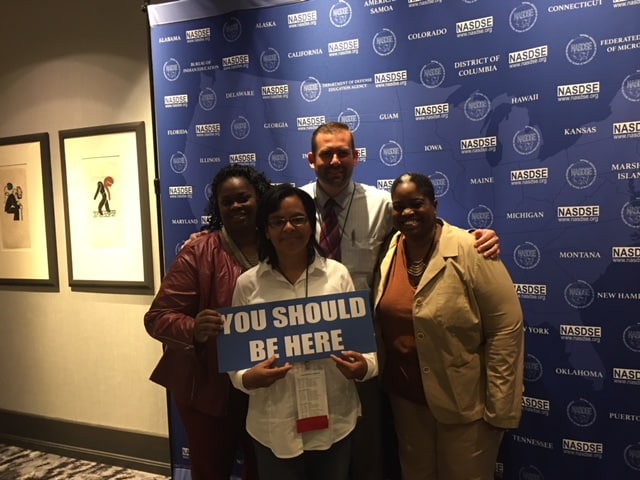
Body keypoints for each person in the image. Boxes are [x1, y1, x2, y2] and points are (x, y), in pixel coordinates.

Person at [301, 122, 501, 480]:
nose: (334, 161)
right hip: (304, 340)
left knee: (368, 446)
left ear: (356, 157)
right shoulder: (294, 203)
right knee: (308, 442)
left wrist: (476, 239)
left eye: (343, 153)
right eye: (325, 154)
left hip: (364, 343)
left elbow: (428, 231)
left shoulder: (382, 204)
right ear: (311, 160)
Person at [373, 173, 524, 480]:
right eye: (399, 207)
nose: (408, 213)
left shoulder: (473, 249)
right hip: (406, 403)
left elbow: (506, 328)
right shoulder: (390, 250)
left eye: (417, 204)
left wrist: (499, 409)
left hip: (465, 407)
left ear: (435, 205)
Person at [228, 184, 378, 480]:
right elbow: (237, 362)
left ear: (312, 225)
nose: (289, 228)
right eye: (278, 221)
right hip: (274, 422)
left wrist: (365, 367)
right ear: (266, 230)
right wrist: (247, 378)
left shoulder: (338, 275)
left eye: (298, 219)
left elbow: (365, 348)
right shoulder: (248, 285)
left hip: (334, 416)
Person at [144, 165, 272, 480]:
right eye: (227, 201)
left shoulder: (280, 247)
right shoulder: (199, 251)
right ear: (217, 207)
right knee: (211, 470)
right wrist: (193, 328)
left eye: (244, 198)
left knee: (264, 469)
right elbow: (157, 317)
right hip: (208, 387)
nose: (236, 206)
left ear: (260, 199)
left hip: (265, 383)